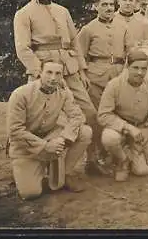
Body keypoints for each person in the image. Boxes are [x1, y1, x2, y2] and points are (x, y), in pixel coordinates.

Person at [13, 0, 104, 175]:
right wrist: (39, 72)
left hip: (69, 69)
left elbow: (74, 42)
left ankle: (91, 160)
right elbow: (23, 49)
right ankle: (36, 163)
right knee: (37, 118)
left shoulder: (62, 11)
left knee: (89, 113)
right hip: (42, 71)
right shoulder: (23, 14)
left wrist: (81, 70)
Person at [7, 59, 92, 200]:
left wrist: (63, 138)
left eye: (58, 73)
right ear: (40, 73)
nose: (53, 78)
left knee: (85, 132)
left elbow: (78, 116)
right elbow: (15, 131)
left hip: (51, 137)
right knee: (30, 193)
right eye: (49, 72)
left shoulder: (63, 93)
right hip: (25, 147)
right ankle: (35, 170)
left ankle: (66, 173)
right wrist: (45, 145)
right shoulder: (20, 94)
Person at [98, 50, 148, 181]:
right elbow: (103, 115)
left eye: (144, 69)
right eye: (135, 68)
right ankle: (122, 161)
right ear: (127, 67)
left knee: (142, 171)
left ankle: (131, 152)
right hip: (120, 129)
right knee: (109, 138)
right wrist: (128, 128)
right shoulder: (114, 85)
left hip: (142, 130)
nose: (140, 72)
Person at [77, 0, 133, 108]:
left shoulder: (123, 27)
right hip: (96, 77)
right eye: (104, 5)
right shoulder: (88, 29)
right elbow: (79, 54)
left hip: (119, 75)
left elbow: (131, 52)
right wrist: (83, 76)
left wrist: (127, 71)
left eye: (111, 4)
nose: (109, 8)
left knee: (120, 109)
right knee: (98, 111)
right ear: (96, 7)